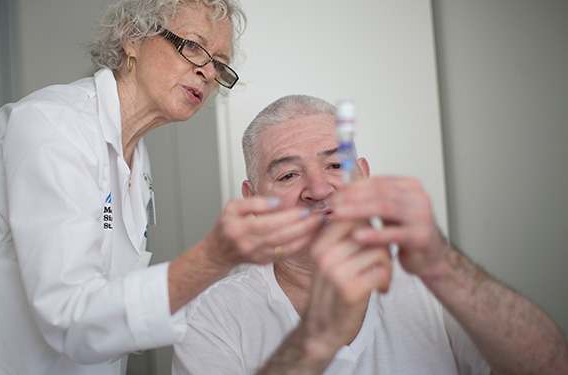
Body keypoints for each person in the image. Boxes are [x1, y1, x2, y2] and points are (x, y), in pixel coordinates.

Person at [0, 2, 327, 374]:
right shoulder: (54, 127)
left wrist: (269, 298)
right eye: (194, 47)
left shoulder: (135, 161)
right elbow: (72, 317)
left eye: (220, 63)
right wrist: (212, 259)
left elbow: (123, 299)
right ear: (132, 38)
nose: (208, 73)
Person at [172, 94, 568, 374]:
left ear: (362, 175)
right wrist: (316, 340)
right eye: (289, 174)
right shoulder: (212, 316)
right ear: (252, 200)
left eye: (334, 165)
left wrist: (445, 266)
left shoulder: (430, 282)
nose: (319, 189)